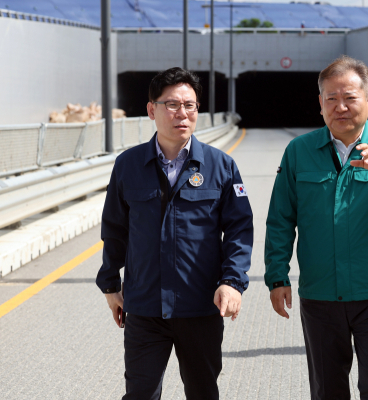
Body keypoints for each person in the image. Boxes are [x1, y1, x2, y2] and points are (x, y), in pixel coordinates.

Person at [264, 55, 368, 400]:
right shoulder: (299, 151)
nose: (341, 107)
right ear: (320, 104)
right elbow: (281, 218)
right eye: (331, 99)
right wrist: (277, 276)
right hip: (320, 294)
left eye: (350, 98)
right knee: (327, 387)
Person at [96, 67, 253, 400]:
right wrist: (111, 285)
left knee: (202, 392)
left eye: (190, 105)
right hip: (145, 308)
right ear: (152, 110)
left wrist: (232, 281)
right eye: (172, 105)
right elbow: (114, 228)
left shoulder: (221, 166)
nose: (182, 113)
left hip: (200, 307)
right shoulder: (128, 164)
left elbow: (239, 228)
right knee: (140, 394)